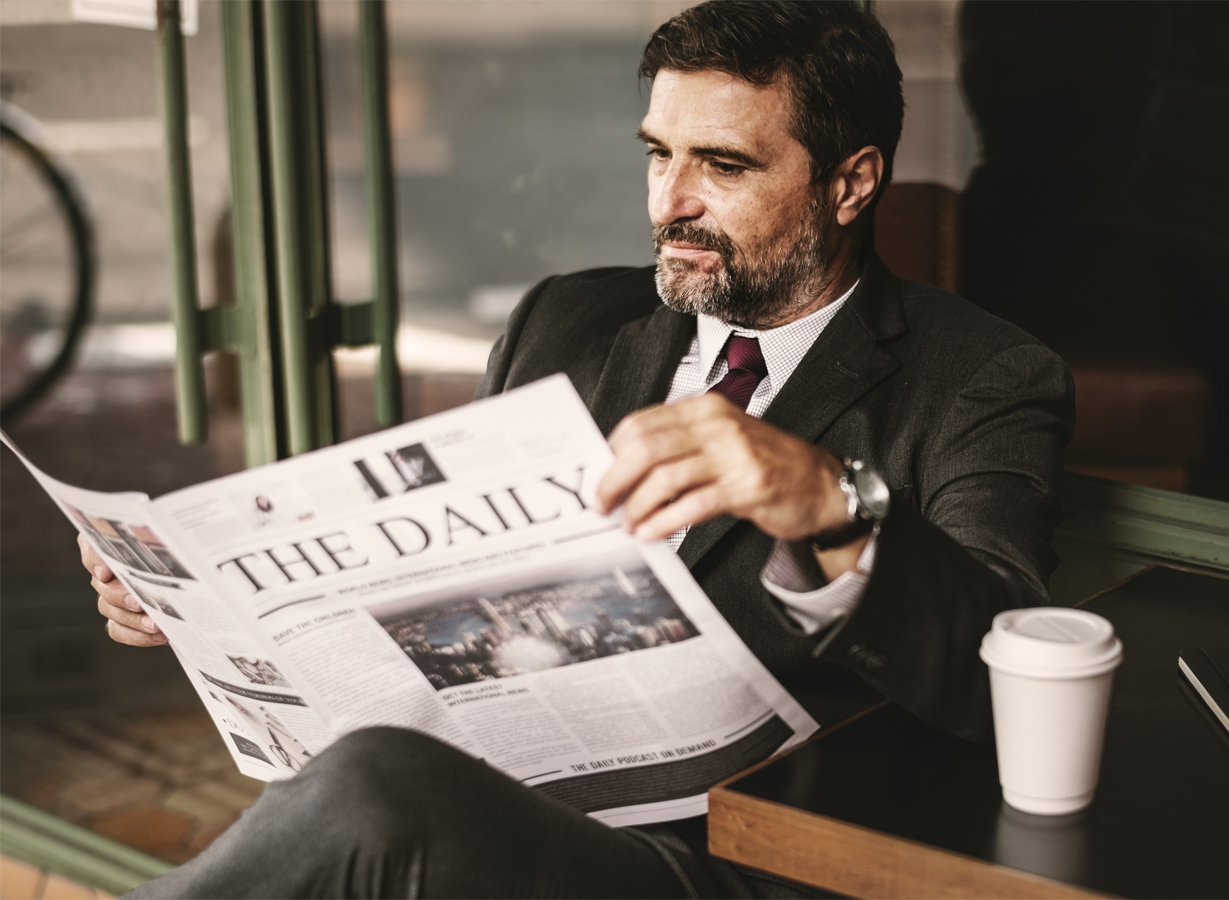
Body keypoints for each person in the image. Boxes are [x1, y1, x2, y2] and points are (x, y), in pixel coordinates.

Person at [81, 2, 1073, 897]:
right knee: (362, 796)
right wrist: (209, 602)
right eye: (657, 154)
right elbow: (434, 571)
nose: (668, 202)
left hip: (722, 860)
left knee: (372, 789)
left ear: (851, 182)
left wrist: (828, 504)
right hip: (509, 802)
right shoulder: (561, 320)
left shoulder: (977, 376)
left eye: (722, 166)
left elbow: (999, 664)